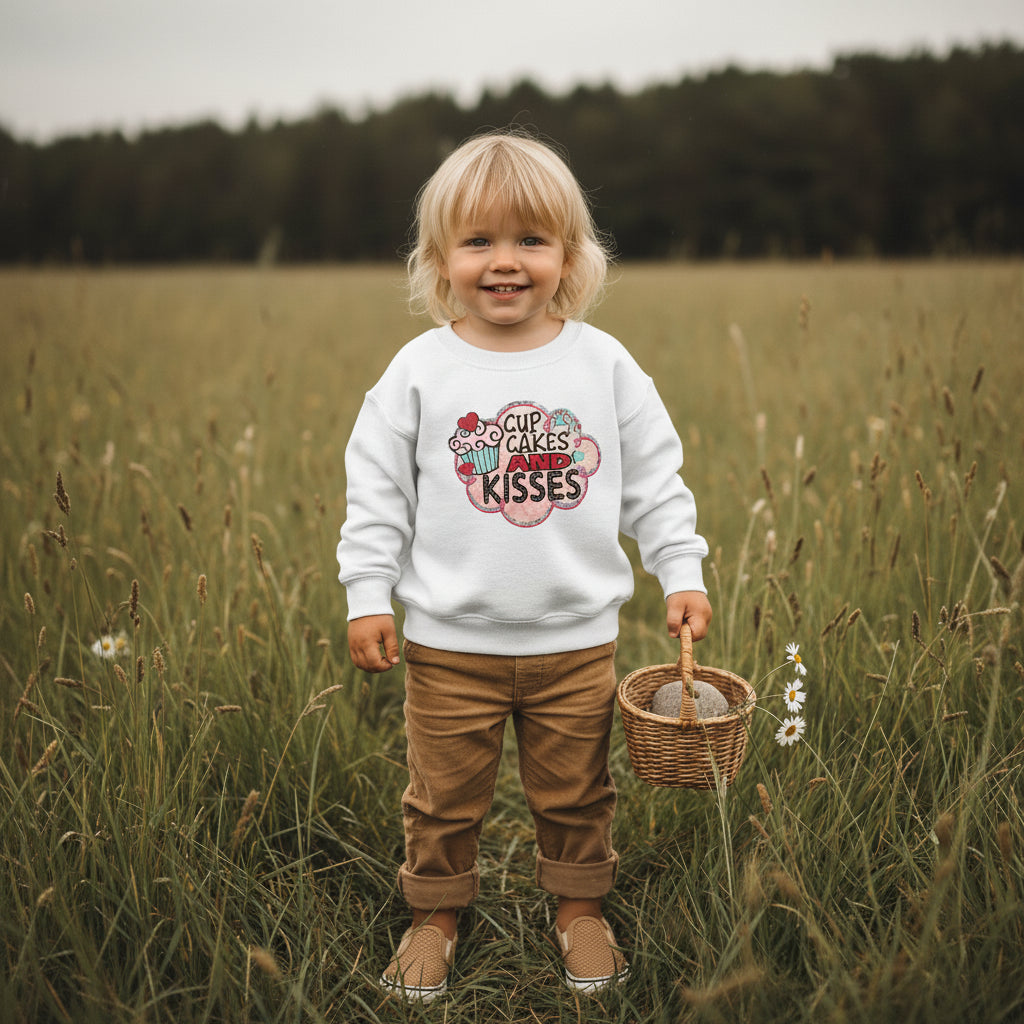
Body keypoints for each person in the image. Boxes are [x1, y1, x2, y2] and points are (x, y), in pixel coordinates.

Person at [337, 130, 712, 1002]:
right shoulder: (421, 370)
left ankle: (579, 908)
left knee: (578, 792)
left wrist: (681, 570)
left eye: (531, 241)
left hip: (575, 640)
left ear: (570, 255)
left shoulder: (602, 363)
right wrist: (367, 592)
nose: (505, 264)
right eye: (479, 242)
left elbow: (655, 479)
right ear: (439, 259)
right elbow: (377, 491)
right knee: (442, 797)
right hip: (448, 644)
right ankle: (435, 915)